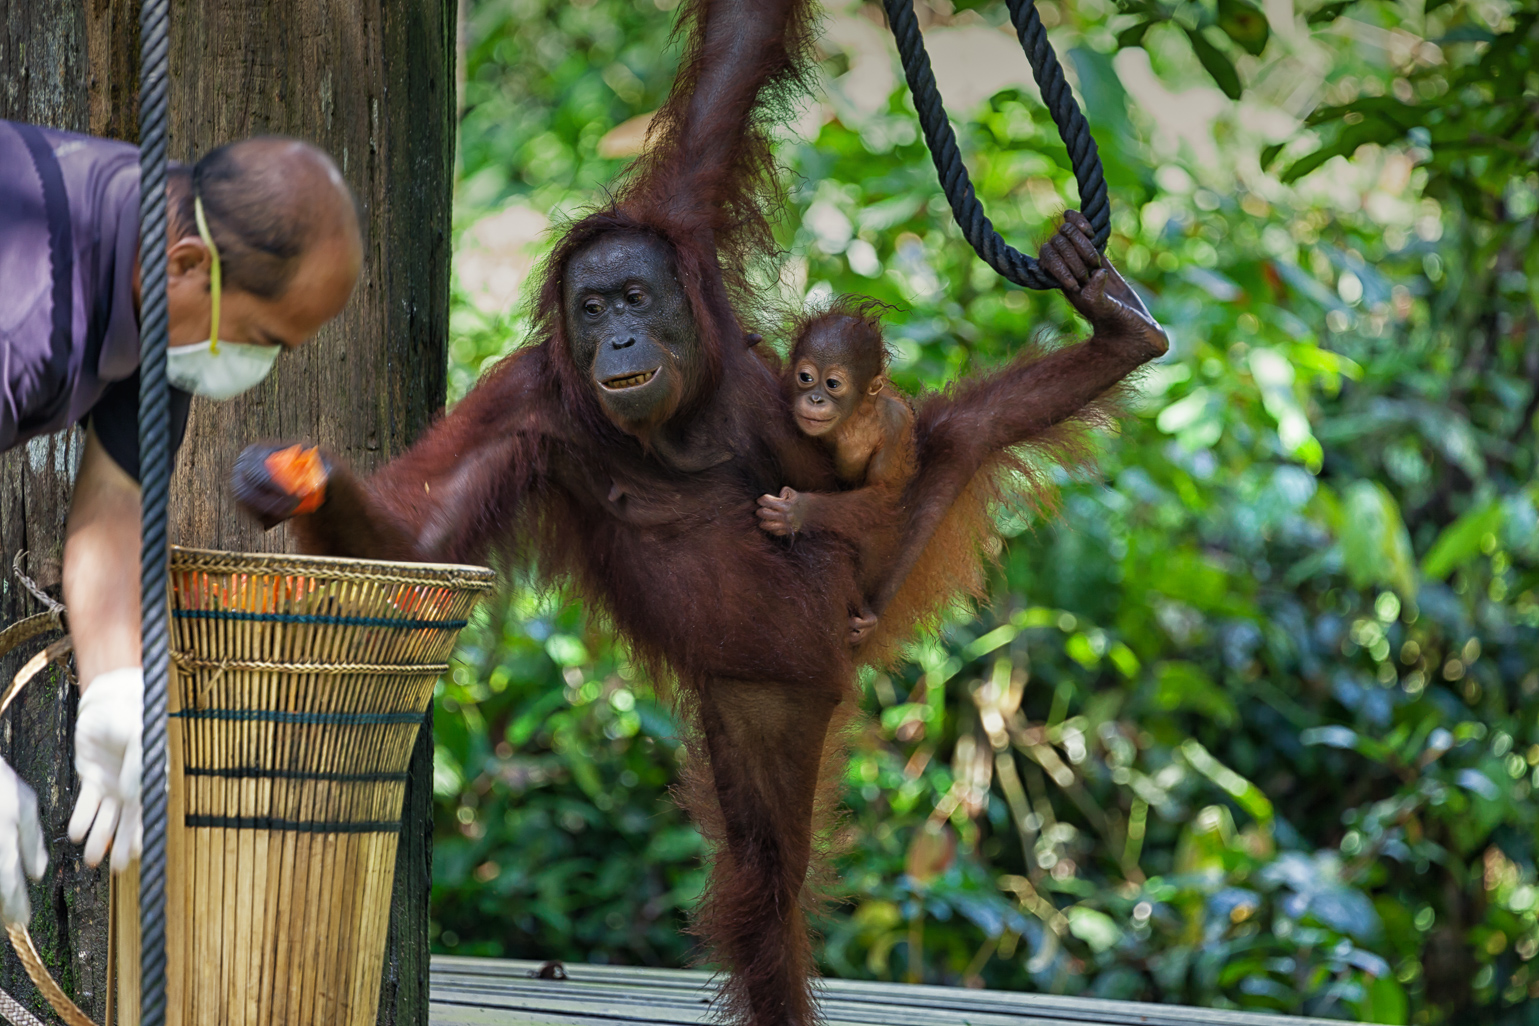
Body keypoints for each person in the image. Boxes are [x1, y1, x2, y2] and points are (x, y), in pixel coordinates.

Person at [0, 120, 364, 927]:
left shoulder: (164, 273)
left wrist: (117, 682)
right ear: (189, 268)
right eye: (263, 338)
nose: (259, 365)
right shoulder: (27, 318)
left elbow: (117, 501)